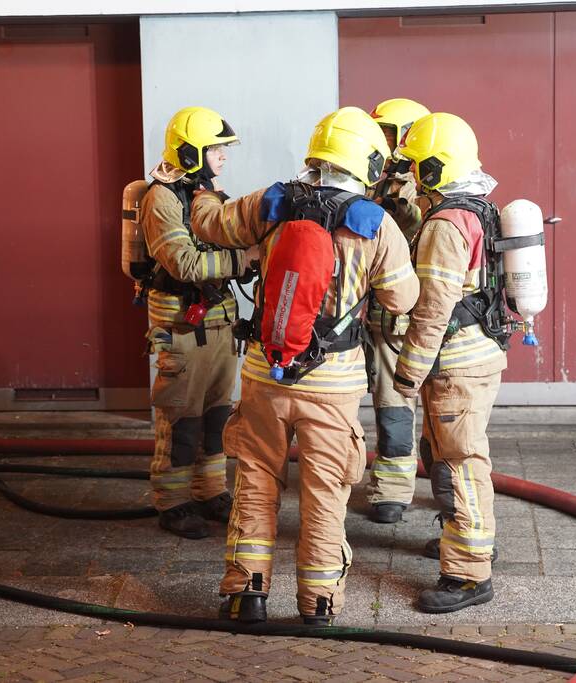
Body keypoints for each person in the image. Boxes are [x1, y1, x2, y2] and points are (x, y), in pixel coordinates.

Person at [190, 106, 419, 625]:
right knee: (324, 491)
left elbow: (207, 224)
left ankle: (246, 595)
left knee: (255, 479)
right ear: (366, 162)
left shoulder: (269, 203)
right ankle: (318, 605)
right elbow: (404, 299)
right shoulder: (375, 224)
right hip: (334, 385)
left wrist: (199, 184)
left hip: (263, 371)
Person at [393, 112, 506, 613]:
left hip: (455, 364)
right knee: (447, 457)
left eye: (417, 166)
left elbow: (433, 308)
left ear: (435, 168)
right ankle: (466, 545)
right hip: (478, 354)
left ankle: (467, 576)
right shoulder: (479, 208)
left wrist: (408, 371)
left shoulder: (444, 224)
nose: (413, 176)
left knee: (460, 465)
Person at [140, 106, 256, 539]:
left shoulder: (207, 194)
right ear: (191, 151)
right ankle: (172, 502)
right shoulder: (162, 198)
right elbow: (184, 262)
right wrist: (243, 259)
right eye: (216, 148)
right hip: (181, 326)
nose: (223, 156)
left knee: (216, 416)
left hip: (220, 321)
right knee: (181, 417)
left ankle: (211, 492)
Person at [364, 98, 430, 524]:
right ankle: (389, 487)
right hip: (378, 317)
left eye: (390, 133)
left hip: (416, 320)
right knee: (386, 403)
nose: (383, 142)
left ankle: (409, 490)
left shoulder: (427, 190)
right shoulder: (373, 182)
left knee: (416, 409)